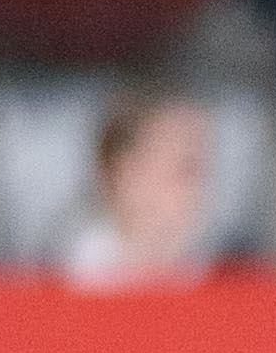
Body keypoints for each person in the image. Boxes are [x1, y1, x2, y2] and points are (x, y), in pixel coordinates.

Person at [56, 90, 227, 286]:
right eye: (186, 169)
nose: (201, 185)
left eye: (206, 166)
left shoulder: (215, 267)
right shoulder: (78, 272)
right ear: (127, 171)